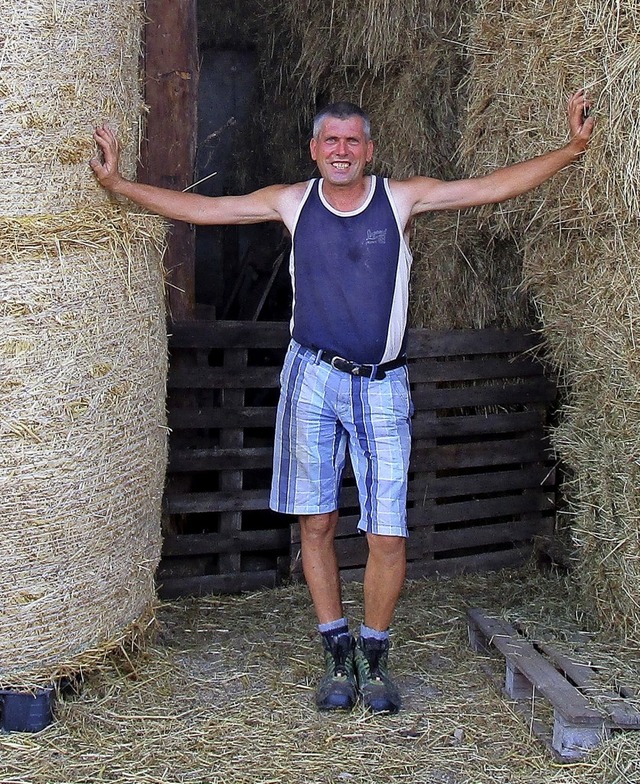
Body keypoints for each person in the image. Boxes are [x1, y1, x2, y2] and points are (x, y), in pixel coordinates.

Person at [91, 89, 594, 714]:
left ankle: (374, 654)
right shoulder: (292, 202)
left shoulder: (401, 198)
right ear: (314, 149)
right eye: (331, 140)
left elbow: (490, 186)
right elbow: (205, 209)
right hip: (312, 377)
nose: (341, 150)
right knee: (317, 521)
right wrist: (120, 186)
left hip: (382, 381)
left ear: (369, 151)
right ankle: (335, 647)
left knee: (387, 533)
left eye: (352, 141)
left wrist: (571, 150)